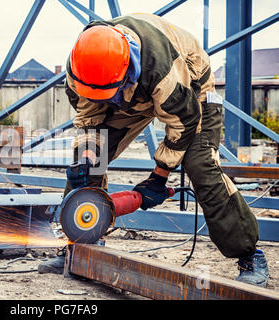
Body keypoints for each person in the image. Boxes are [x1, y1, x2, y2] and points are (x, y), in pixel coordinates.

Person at [38, 13, 269, 288]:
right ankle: (79, 244)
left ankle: (249, 255)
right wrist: (87, 159)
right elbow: (90, 121)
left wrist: (158, 178)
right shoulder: (81, 69)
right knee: (85, 163)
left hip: (191, 93)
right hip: (127, 93)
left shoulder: (162, 72)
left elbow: (183, 122)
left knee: (201, 166)